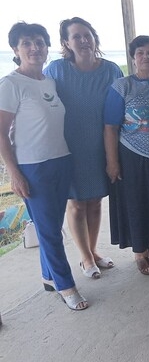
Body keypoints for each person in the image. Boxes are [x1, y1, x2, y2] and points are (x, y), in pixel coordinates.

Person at [0, 22, 87, 310]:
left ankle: (48, 276)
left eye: (39, 42)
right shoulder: (11, 84)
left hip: (61, 160)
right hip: (33, 166)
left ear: (47, 47)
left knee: (49, 224)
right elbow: (1, 133)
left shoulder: (49, 81)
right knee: (49, 230)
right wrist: (15, 173)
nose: (34, 48)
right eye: (26, 43)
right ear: (15, 50)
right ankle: (66, 286)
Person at [44, 17, 123, 279]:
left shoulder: (111, 70)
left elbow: (120, 107)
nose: (83, 40)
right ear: (66, 43)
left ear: (94, 38)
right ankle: (85, 257)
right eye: (76, 36)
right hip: (68, 147)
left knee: (96, 201)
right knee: (77, 203)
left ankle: (94, 250)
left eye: (87, 35)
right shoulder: (56, 70)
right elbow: (41, 101)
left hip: (101, 146)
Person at [104, 35, 149, 275]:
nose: (146, 57)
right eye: (140, 53)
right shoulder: (122, 86)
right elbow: (110, 127)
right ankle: (140, 254)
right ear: (133, 58)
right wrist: (112, 162)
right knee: (137, 203)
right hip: (132, 156)